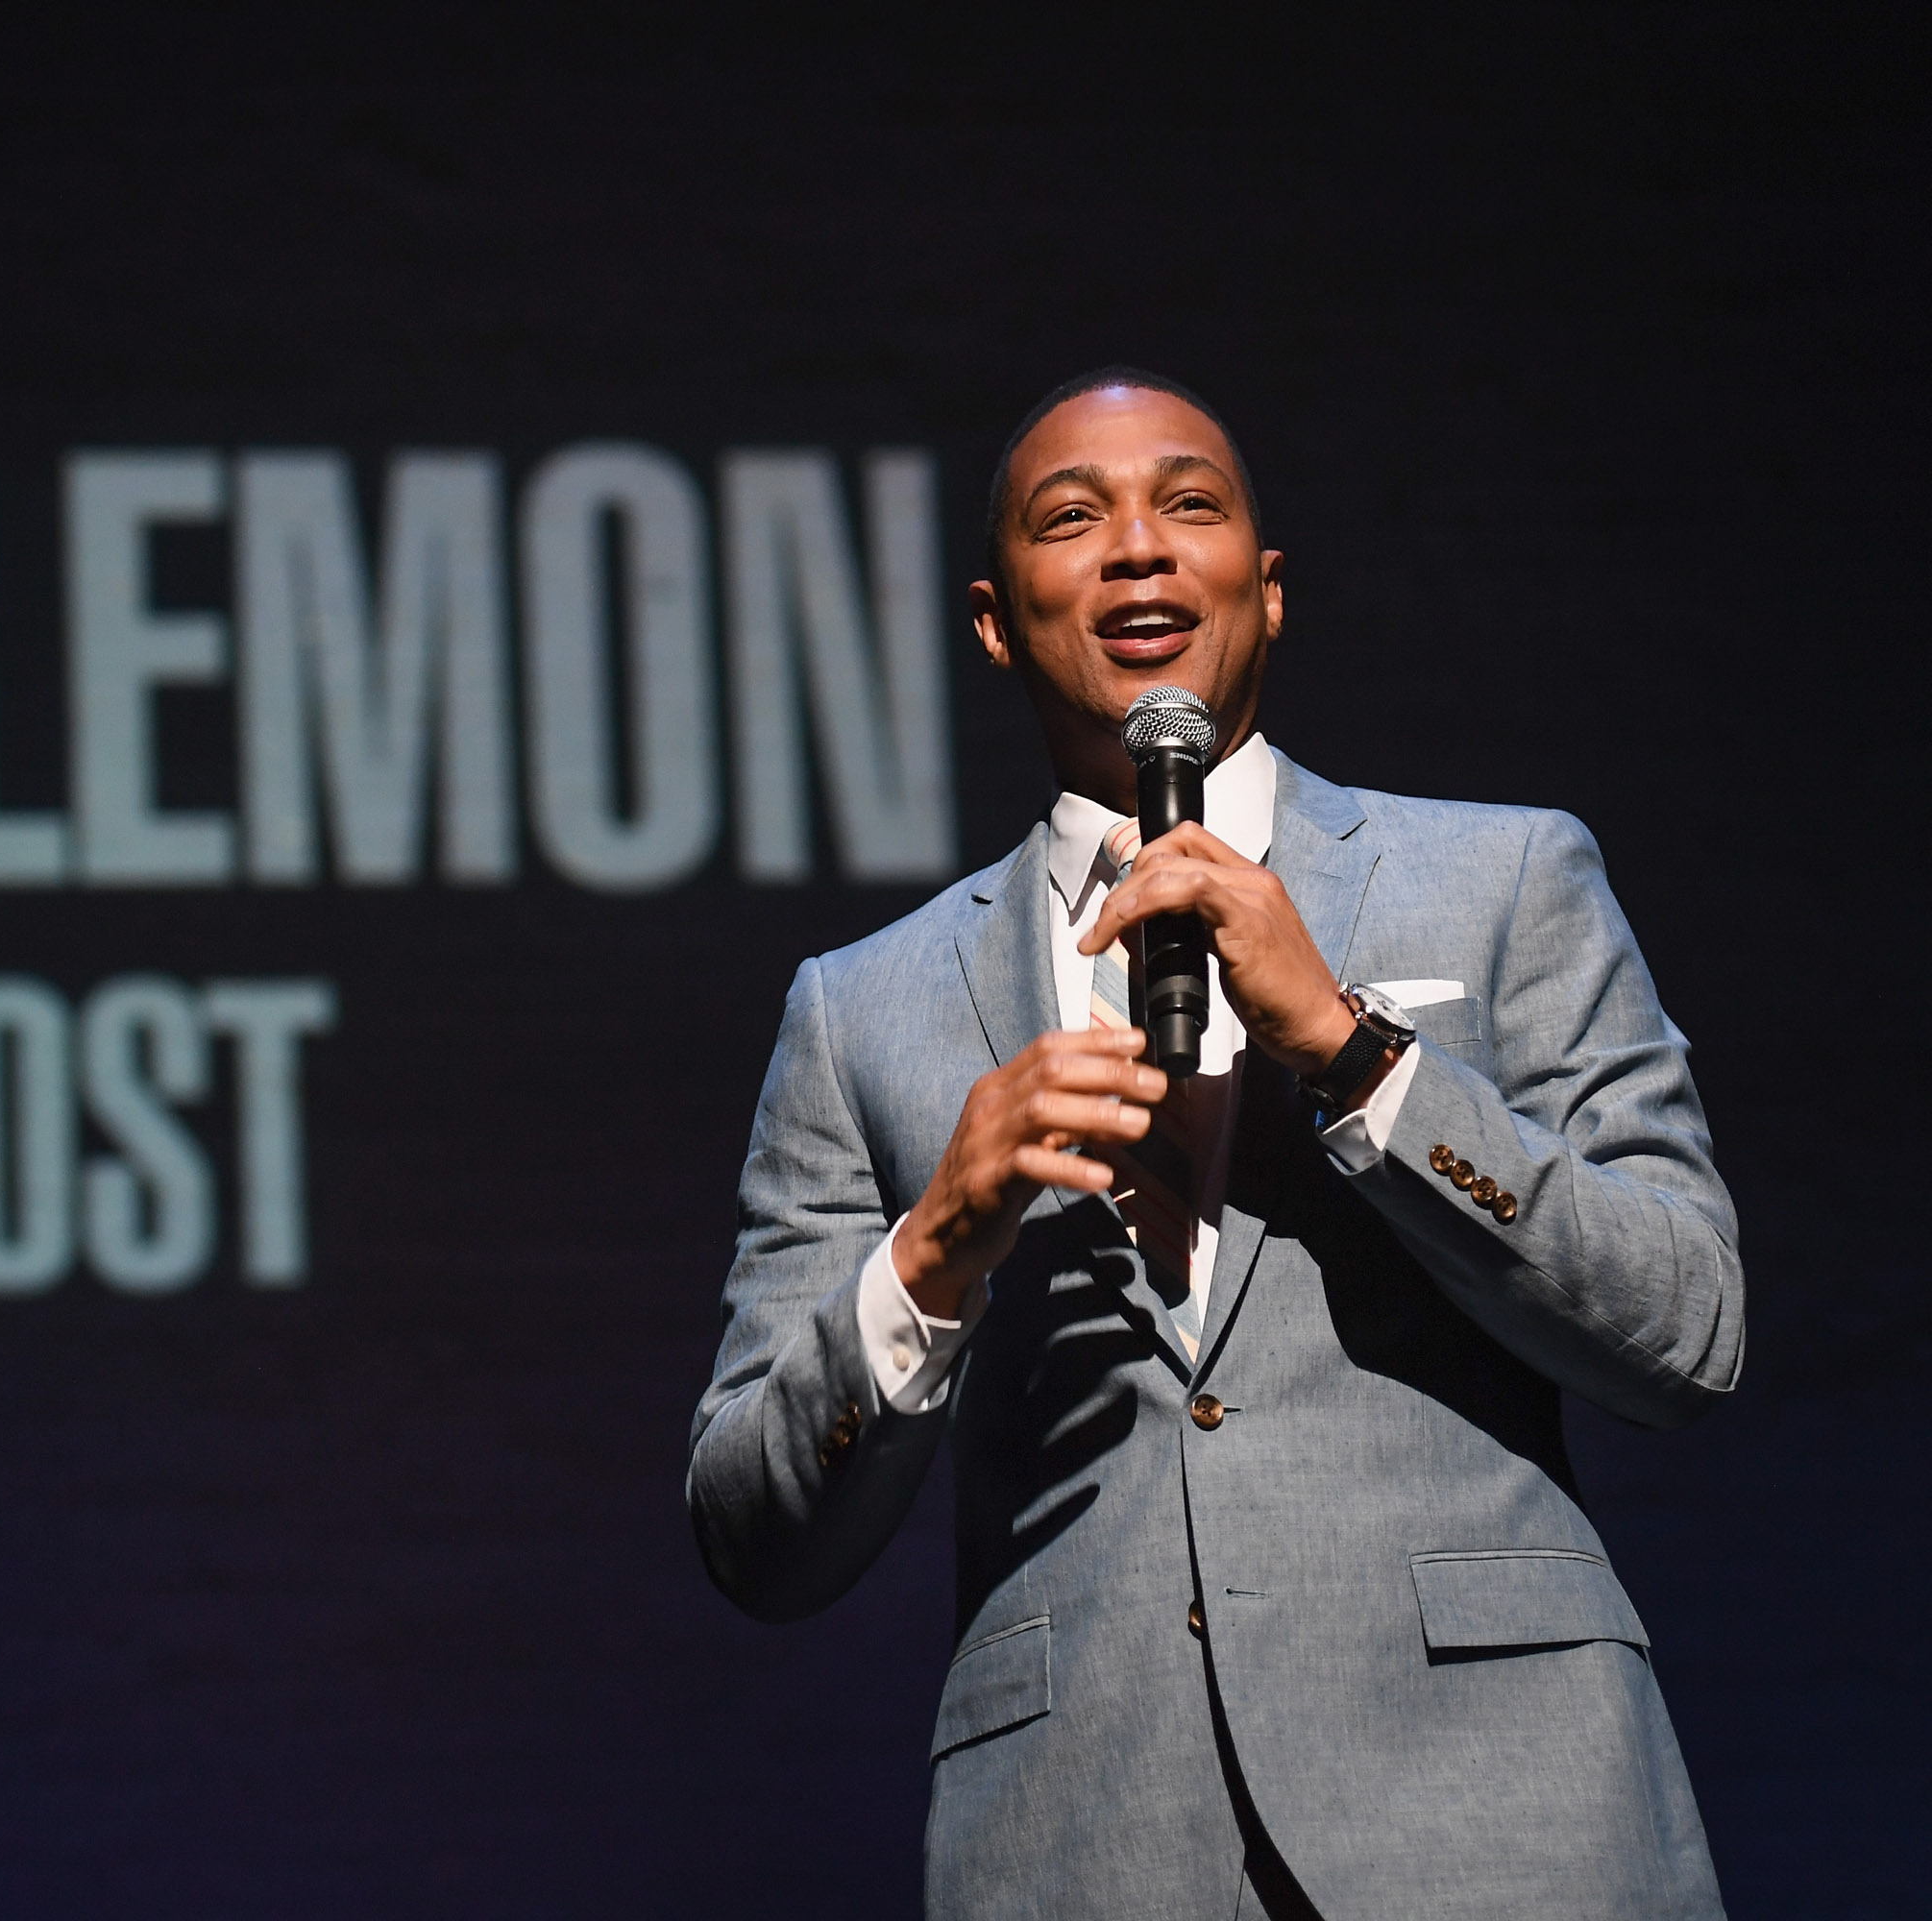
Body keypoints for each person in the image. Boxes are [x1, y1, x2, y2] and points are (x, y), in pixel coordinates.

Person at [687, 367, 1742, 1919]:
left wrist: (1356, 1055)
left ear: (1268, 587)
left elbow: (1690, 1328)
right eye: (1073, 518)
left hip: (1499, 1819)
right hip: (1088, 1844)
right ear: (994, 620)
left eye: (1189, 505)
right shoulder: (860, 1010)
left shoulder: (1508, 878)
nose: (1138, 546)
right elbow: (752, 1531)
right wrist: (930, 1253)